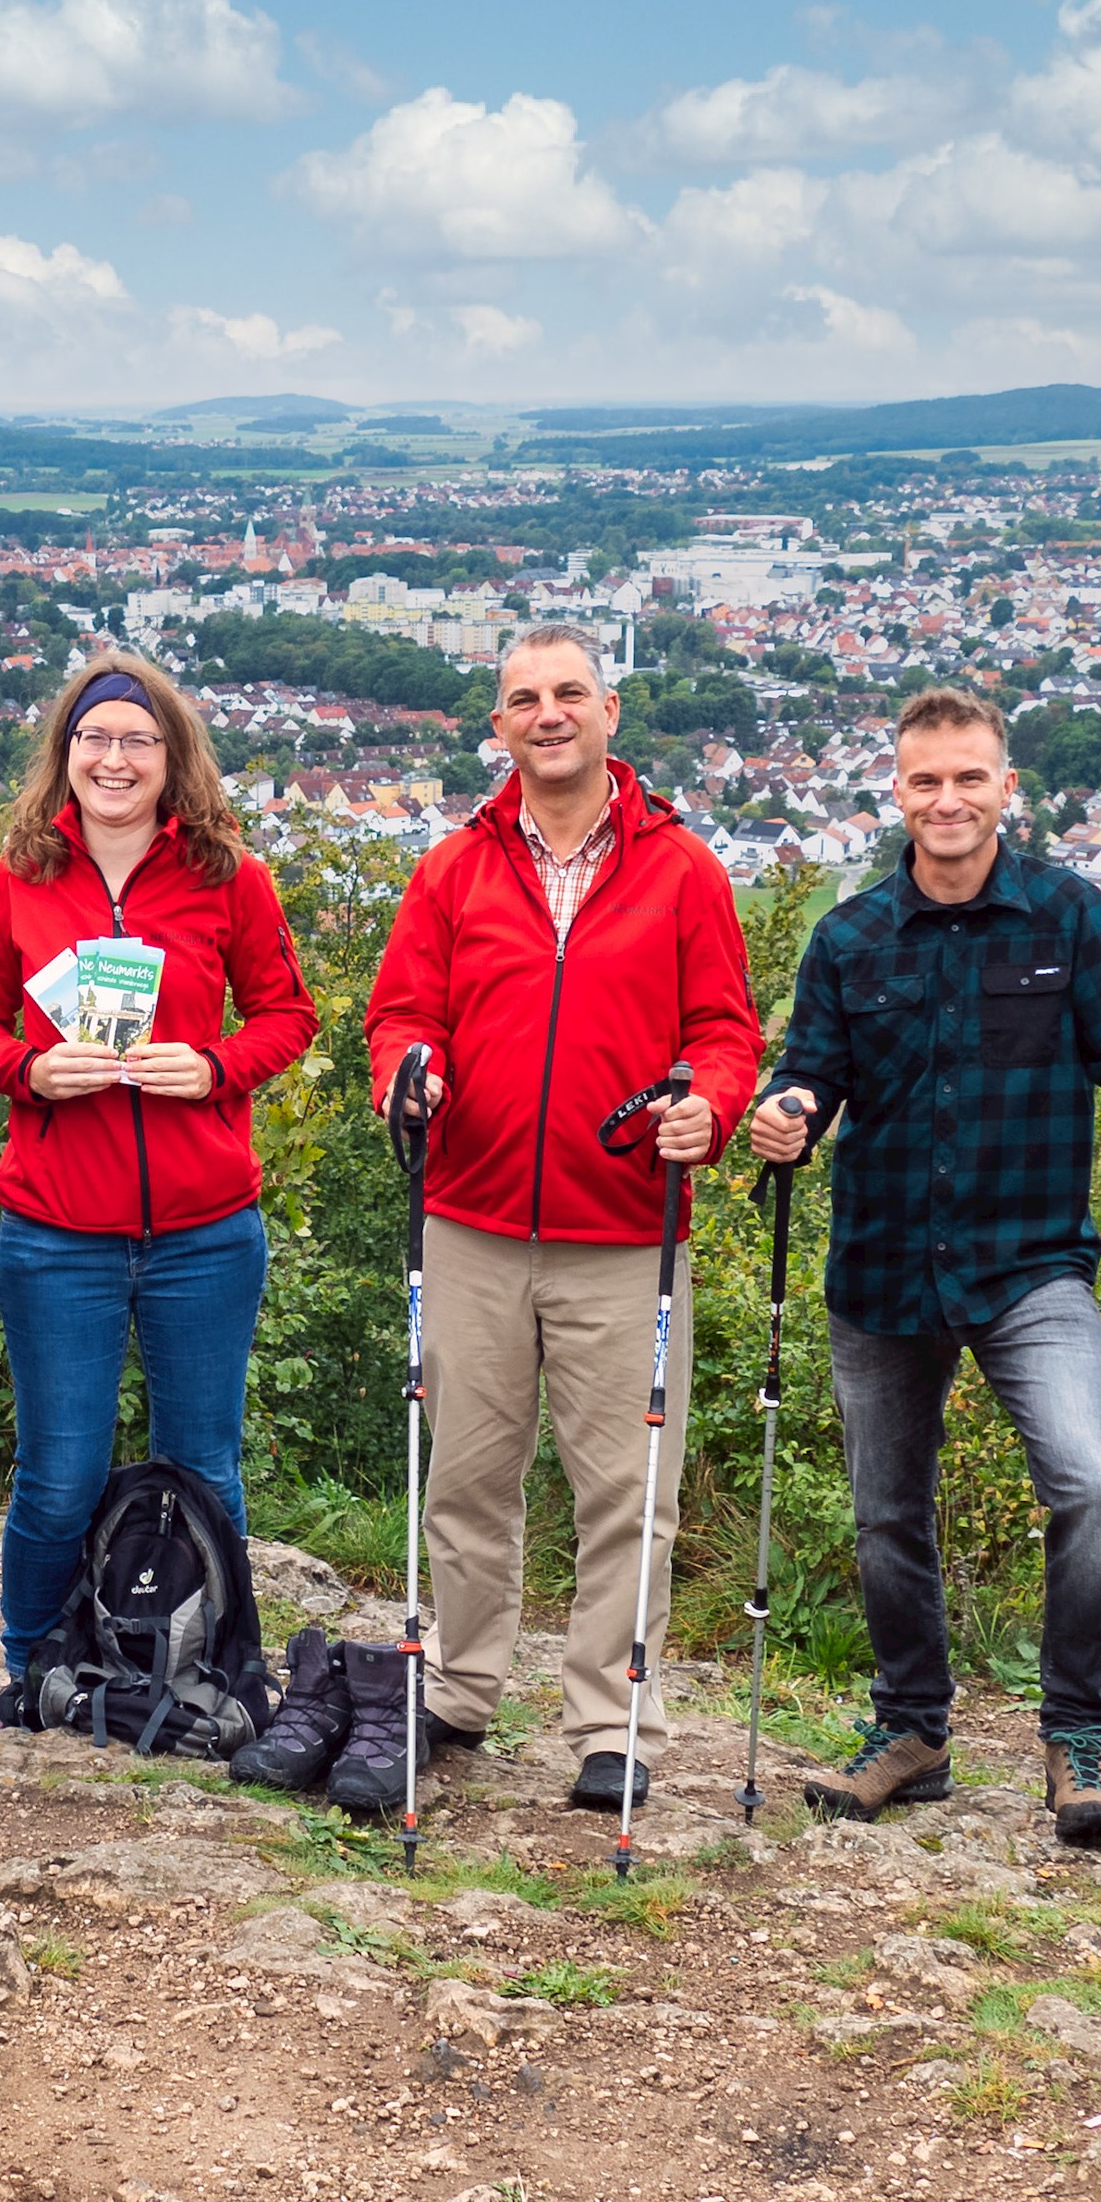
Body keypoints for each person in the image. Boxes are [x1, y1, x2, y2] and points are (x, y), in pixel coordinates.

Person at [744, 685, 1101, 1849]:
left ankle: (1077, 1736)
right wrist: (785, 1112)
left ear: (1004, 787)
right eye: (926, 779)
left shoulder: (1067, 918)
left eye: (969, 777)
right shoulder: (850, 934)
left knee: (1093, 1485)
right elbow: (806, 1073)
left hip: (1030, 1267)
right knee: (884, 1517)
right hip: (880, 1270)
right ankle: (910, 1732)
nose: (948, 799)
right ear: (899, 790)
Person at [348, 624, 759, 1821]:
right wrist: (406, 1071)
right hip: (471, 1219)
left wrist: (711, 1106)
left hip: (627, 1229)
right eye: (522, 699)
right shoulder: (450, 871)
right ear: (498, 726)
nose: (547, 714)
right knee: (467, 1480)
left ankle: (613, 1721)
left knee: (628, 1491)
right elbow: (397, 1014)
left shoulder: (684, 869)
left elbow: (725, 1032)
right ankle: (460, 1692)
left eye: (567, 693)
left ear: (610, 711)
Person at [0, 647, 317, 1719]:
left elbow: (288, 1015)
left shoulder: (225, 874)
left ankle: (215, 1662)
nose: (114, 757)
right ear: (65, 753)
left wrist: (213, 1067)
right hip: (58, 1232)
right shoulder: (19, 877)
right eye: (94, 737)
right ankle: (33, 1668)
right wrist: (27, 1069)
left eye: (137, 739)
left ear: (170, 757)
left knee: (206, 1465)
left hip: (205, 1229)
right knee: (59, 1474)